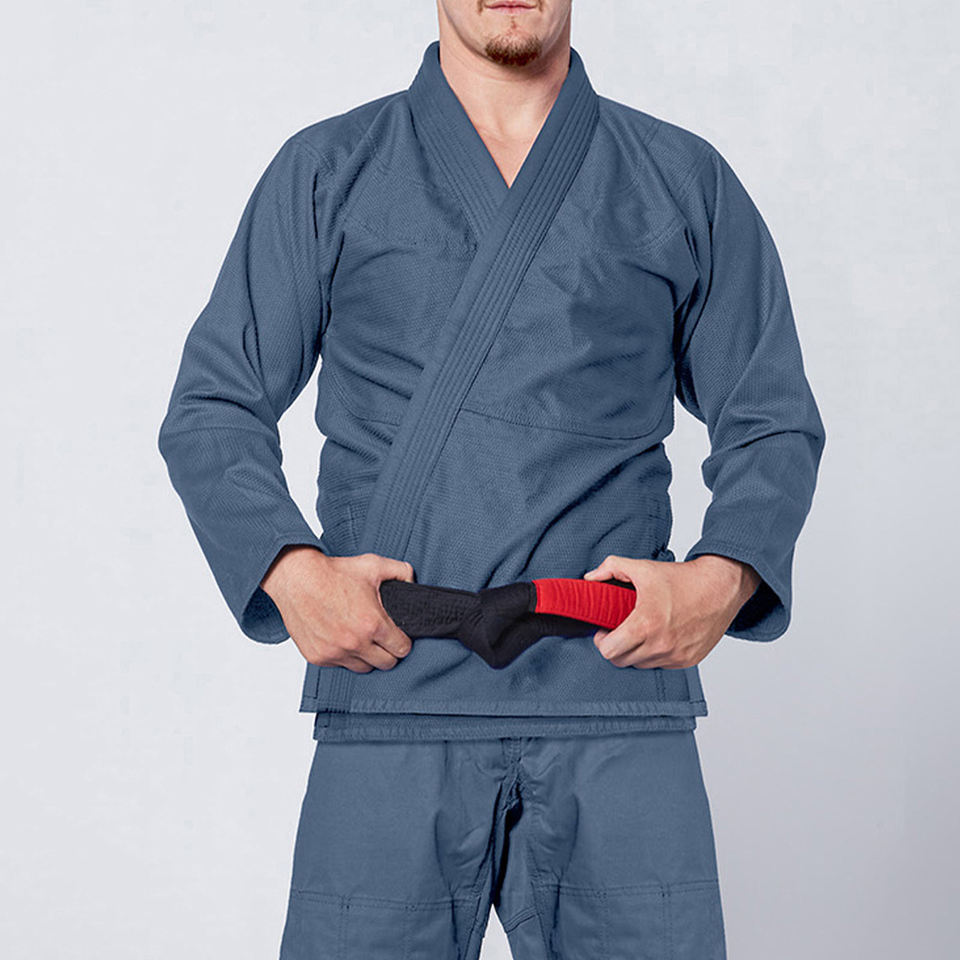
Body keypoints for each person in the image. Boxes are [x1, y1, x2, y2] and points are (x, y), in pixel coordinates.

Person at [157, 2, 826, 957]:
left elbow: (772, 417)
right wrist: (291, 573)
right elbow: (213, 406)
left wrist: (720, 580)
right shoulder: (330, 169)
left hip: (613, 695)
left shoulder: (680, 178)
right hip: (394, 688)